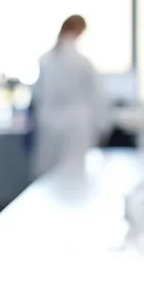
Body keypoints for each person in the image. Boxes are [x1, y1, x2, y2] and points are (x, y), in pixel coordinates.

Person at [30, 15, 110, 178]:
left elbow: (37, 94)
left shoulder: (46, 60)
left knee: (48, 180)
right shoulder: (82, 62)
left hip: (49, 124)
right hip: (75, 127)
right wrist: (102, 126)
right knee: (72, 178)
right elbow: (98, 97)